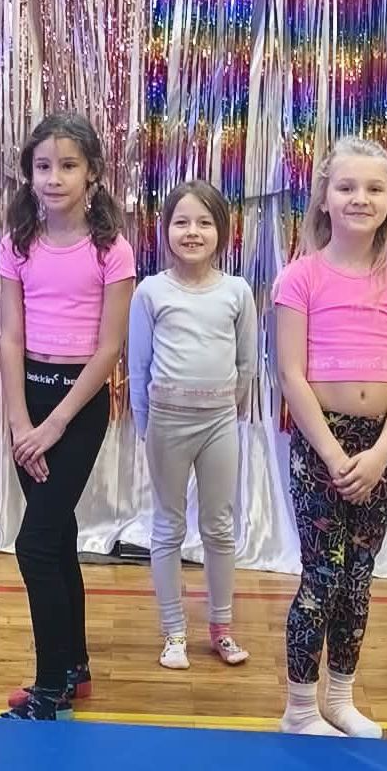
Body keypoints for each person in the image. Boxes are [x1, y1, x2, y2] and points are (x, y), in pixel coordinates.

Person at [273, 136, 387, 738]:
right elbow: (291, 374)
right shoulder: (301, 277)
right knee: (323, 575)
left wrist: (382, 451)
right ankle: (299, 708)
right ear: (324, 199)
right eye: (346, 187)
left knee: (358, 577)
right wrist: (334, 453)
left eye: (374, 188)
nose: (360, 198)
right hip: (323, 444)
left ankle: (339, 698)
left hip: (377, 445)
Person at [0, 112, 135, 720]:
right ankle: (73, 666)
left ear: (92, 174)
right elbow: (9, 337)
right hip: (29, 402)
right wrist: (20, 423)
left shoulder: (111, 250)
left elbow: (109, 349)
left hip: (77, 409)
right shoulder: (17, 243)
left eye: (68, 166)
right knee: (57, 537)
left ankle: (48, 689)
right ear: (29, 174)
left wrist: (54, 426)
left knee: (34, 544)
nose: (54, 178)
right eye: (43, 166)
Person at [129, 180, 256, 671]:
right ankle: (174, 632)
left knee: (219, 527)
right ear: (165, 230)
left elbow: (246, 364)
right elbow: (139, 366)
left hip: (219, 423)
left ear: (222, 230)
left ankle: (221, 627)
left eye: (204, 222)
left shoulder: (237, 291)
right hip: (166, 423)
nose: (193, 232)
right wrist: (147, 425)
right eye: (181, 222)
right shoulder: (151, 291)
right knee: (168, 526)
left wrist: (223, 408)